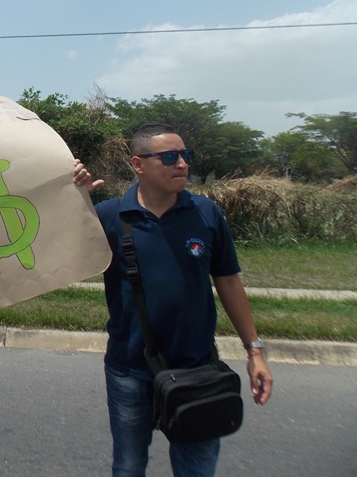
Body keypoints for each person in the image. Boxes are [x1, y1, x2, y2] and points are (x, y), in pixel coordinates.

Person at [73, 123, 272, 477]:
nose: (181, 164)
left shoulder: (206, 214)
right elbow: (62, 257)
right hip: (129, 371)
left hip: (198, 368)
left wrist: (254, 351)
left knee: (196, 470)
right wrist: (75, 202)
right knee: (129, 467)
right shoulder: (110, 216)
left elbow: (227, 281)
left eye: (185, 155)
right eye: (168, 157)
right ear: (138, 164)